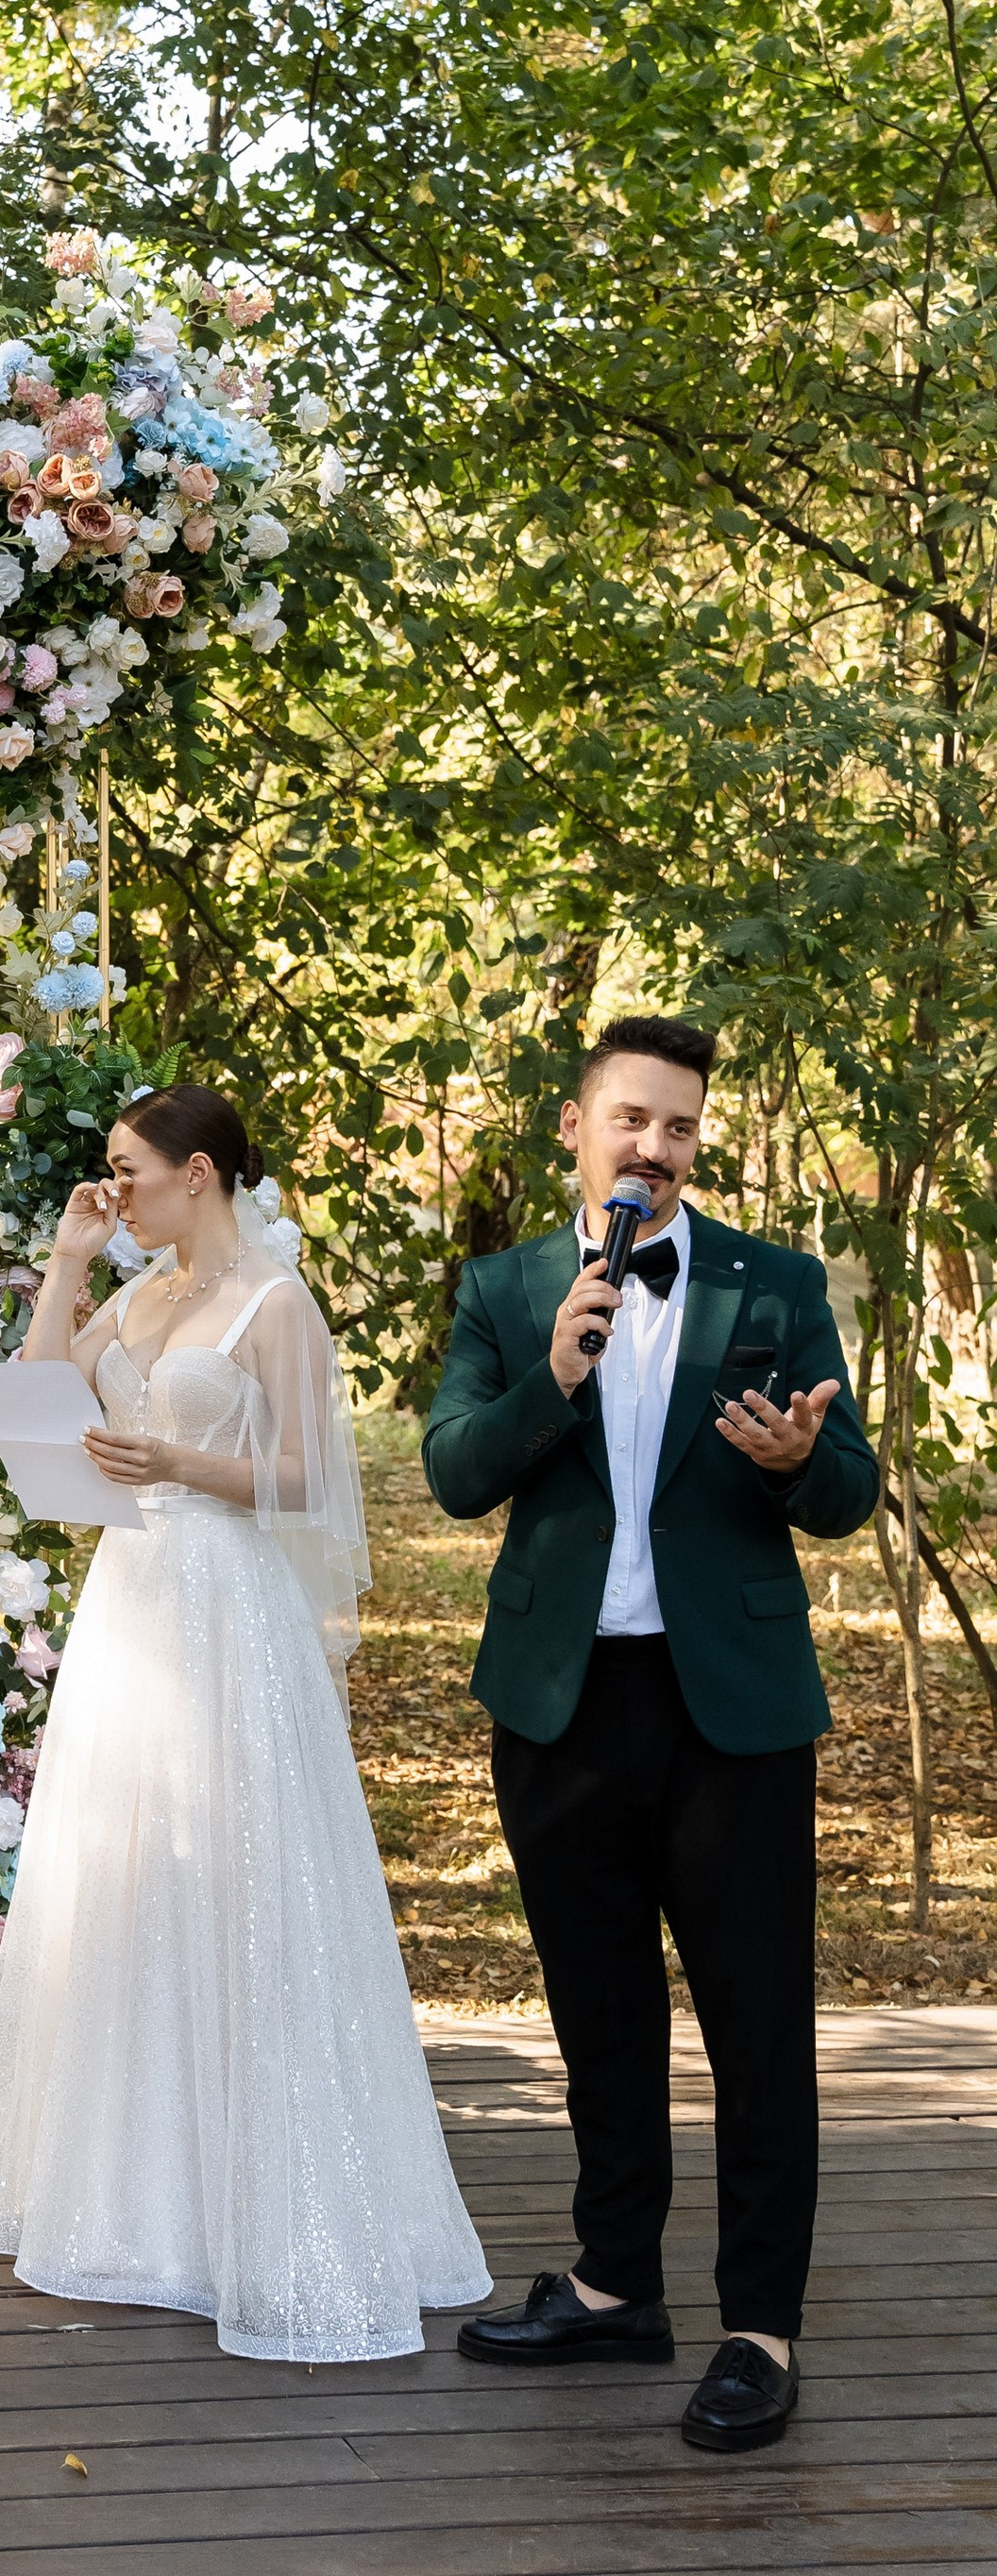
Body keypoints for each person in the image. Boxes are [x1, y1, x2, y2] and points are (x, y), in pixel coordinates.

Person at [0, 1084, 487, 2362]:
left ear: (199, 1173)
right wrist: (71, 1263)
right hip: (131, 1607)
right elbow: (37, 1406)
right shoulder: (135, 1299)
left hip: (229, 1607)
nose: (113, 1189)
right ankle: (134, 2206)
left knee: (245, 1886)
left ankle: (258, 2215)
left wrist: (181, 1465)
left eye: (127, 1173)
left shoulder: (271, 1303)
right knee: (124, 1882)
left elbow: (309, 1474)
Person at [423, 1013, 877, 2454]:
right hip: (560, 1706)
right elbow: (450, 1474)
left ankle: (760, 2327)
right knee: (598, 2014)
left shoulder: (776, 1283)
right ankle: (616, 2284)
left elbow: (848, 1486)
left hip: (728, 1709)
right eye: (632, 1119)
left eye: (680, 1127)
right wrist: (551, 1380)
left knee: (759, 2027)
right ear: (578, 1127)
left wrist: (805, 1463)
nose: (655, 1148)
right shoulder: (505, 1289)